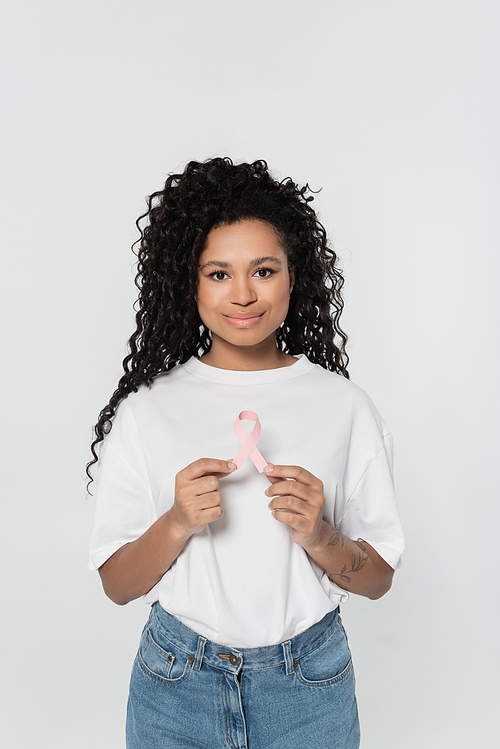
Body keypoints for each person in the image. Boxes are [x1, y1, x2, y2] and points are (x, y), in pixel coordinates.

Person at [87, 157, 404, 749]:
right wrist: (178, 522)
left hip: (309, 687)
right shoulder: (149, 411)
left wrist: (322, 536)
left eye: (263, 269)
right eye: (217, 273)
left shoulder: (344, 408)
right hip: (175, 686)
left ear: (294, 276)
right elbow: (117, 585)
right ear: (189, 281)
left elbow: (379, 580)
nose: (242, 294)